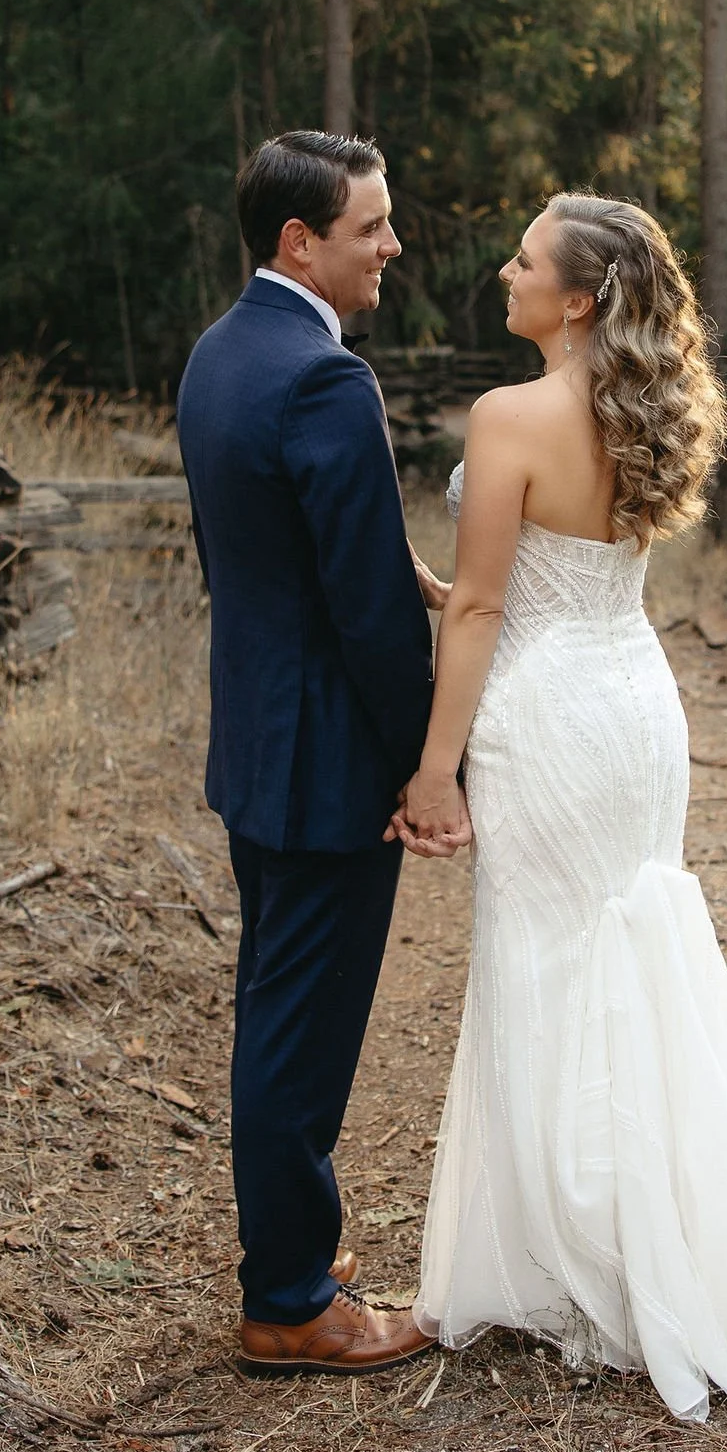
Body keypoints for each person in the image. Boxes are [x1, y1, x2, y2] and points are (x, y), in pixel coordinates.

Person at [398, 190, 727, 1422]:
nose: (504, 272)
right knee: (632, 953)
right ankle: (662, 1246)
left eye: (525, 261)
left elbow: (496, 614)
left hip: (545, 717)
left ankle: (588, 1265)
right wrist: (446, 591)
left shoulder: (510, 414)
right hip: (633, 708)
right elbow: (536, 582)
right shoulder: (640, 407)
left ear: (579, 298)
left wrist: (434, 767)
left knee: (548, 965)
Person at [177, 131, 455, 1377]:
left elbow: (274, 547)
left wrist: (392, 572)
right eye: (370, 227)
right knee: (299, 1033)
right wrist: (426, 759)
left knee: (274, 1013)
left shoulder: (223, 354)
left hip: (256, 744)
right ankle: (288, 1300)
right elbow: (369, 619)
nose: (390, 244)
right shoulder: (325, 383)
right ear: (302, 241)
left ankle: (296, 1250)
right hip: (325, 766)